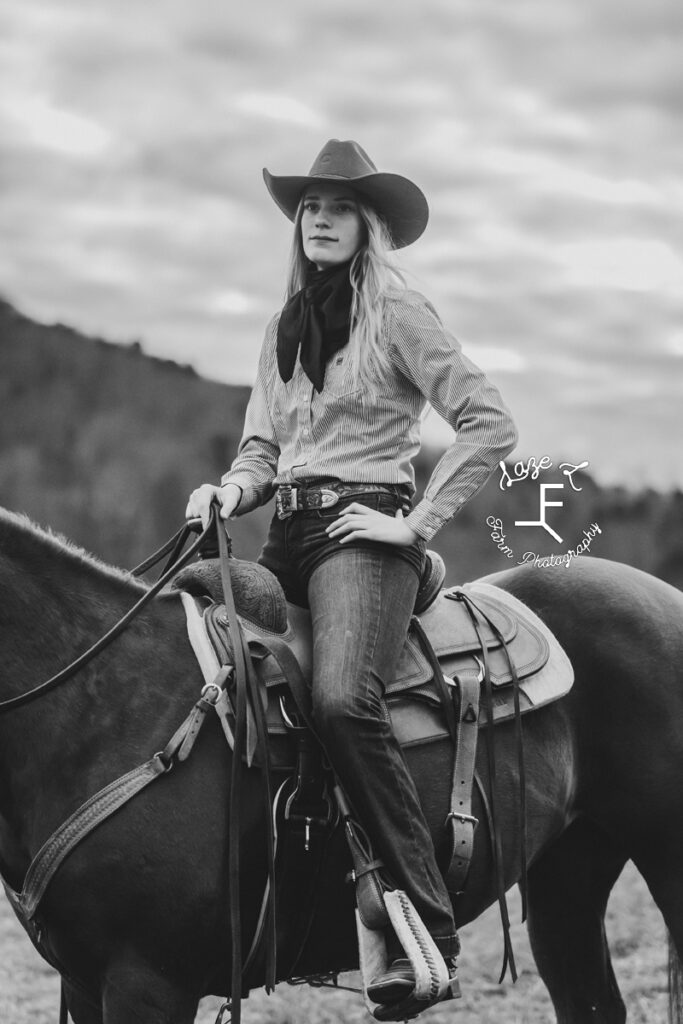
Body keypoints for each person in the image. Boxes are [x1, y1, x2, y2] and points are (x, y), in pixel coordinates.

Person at [186, 138, 518, 1005]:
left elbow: (488, 422)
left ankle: (424, 918)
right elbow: (264, 447)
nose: (319, 219)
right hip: (285, 532)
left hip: (361, 534)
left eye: (337, 207)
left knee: (340, 698)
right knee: (196, 650)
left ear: (366, 225)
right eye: (309, 207)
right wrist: (228, 488)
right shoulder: (281, 328)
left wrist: (411, 523)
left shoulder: (400, 313)